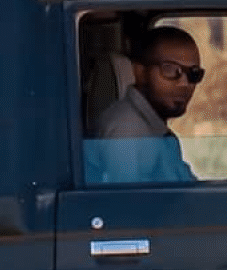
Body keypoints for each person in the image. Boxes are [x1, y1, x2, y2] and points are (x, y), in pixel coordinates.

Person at [86, 25, 204, 184]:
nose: (184, 83)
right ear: (140, 72)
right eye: (169, 69)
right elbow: (128, 203)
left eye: (193, 74)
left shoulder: (159, 133)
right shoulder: (125, 131)